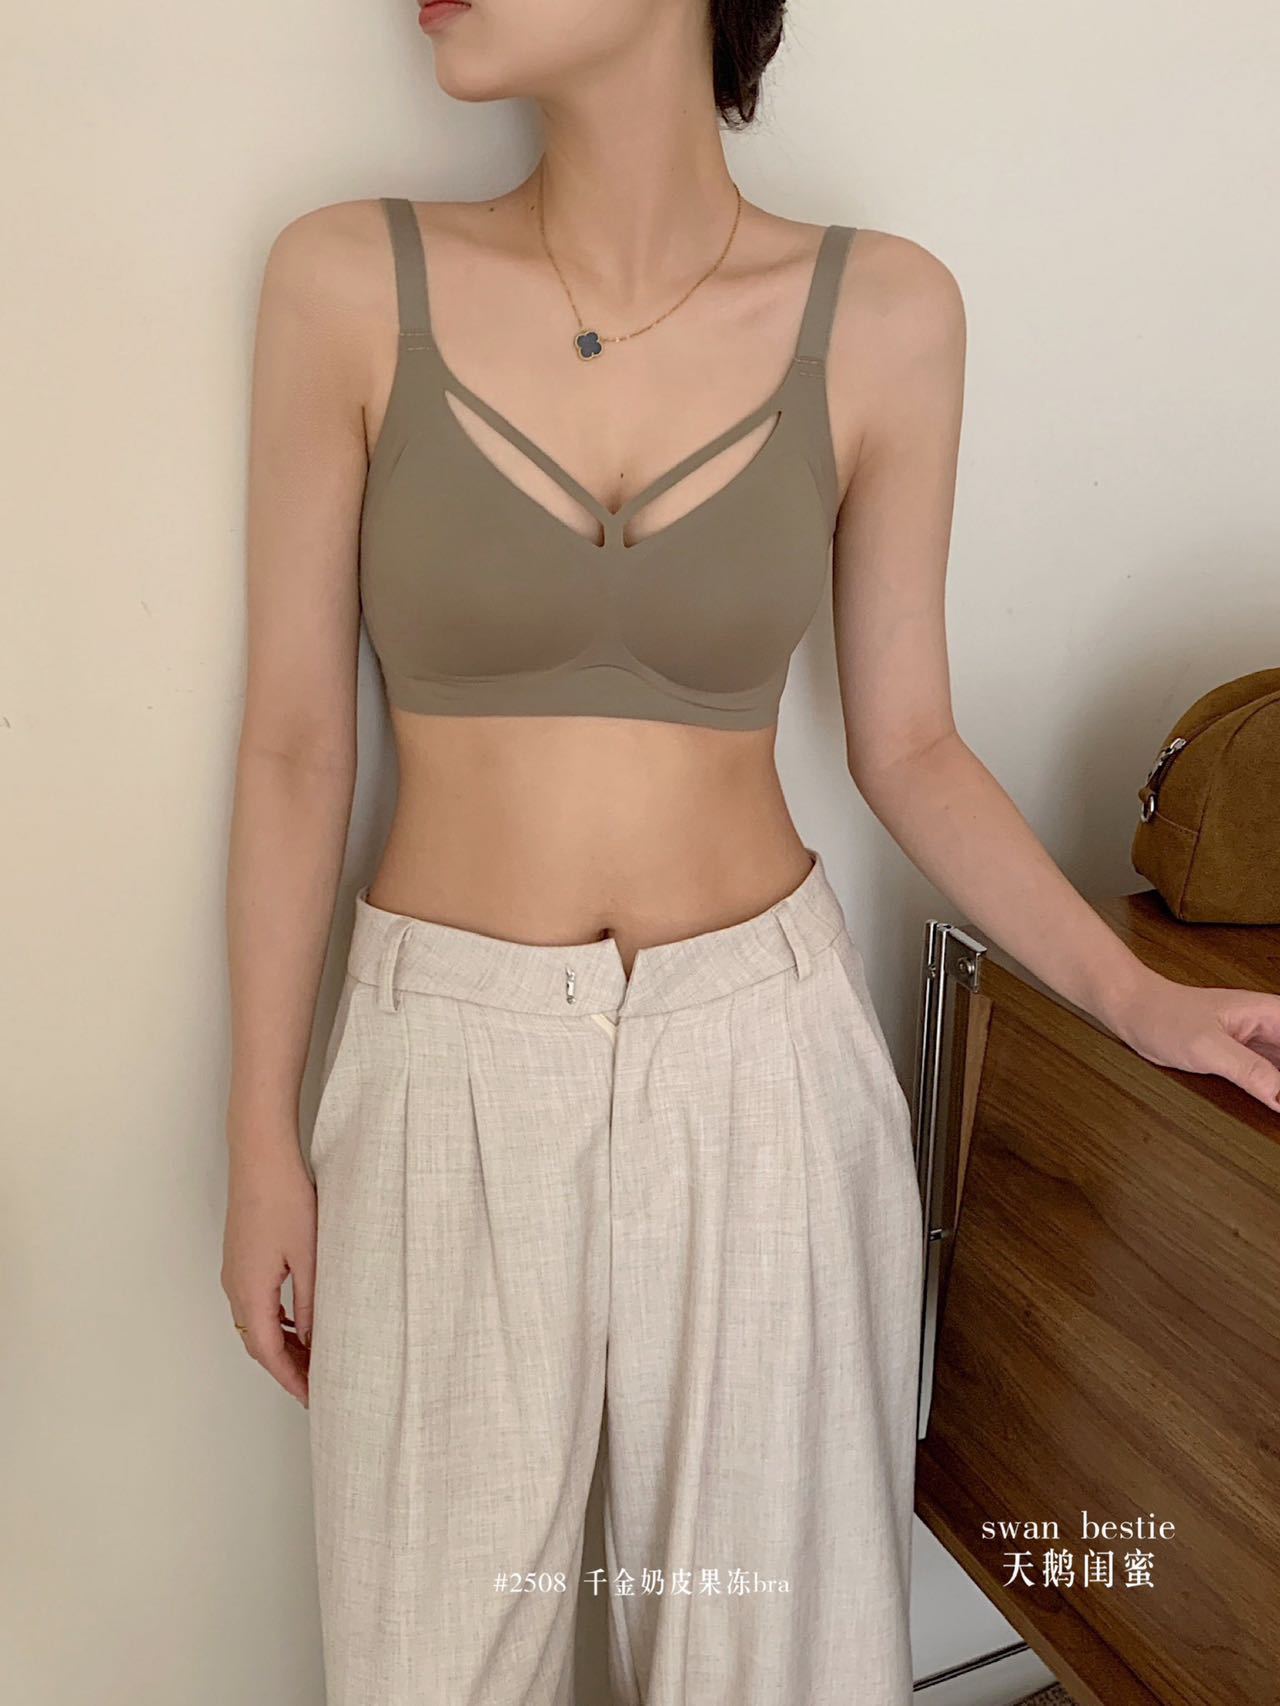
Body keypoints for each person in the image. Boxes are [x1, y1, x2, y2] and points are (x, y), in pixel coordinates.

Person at [220, 1, 1280, 1701]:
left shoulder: (888, 316)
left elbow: (907, 742)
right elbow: (292, 746)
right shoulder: (345, 283)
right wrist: (261, 1136)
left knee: (776, 1663)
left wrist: (1132, 994)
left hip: (764, 1075)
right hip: (443, 1081)